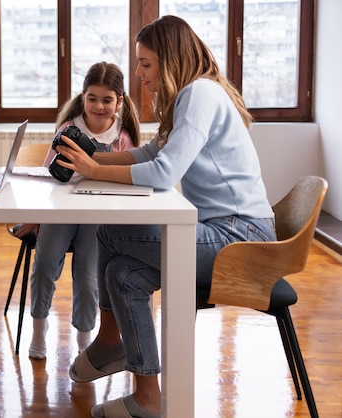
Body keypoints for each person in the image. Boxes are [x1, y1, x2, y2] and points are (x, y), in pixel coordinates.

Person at [53, 16, 276, 418]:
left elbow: (163, 174)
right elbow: (149, 154)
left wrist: (97, 170)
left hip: (241, 240)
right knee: (121, 274)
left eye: (146, 64)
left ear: (170, 60)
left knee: (110, 229)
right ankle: (148, 399)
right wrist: (91, 160)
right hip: (217, 232)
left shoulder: (200, 95)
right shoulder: (188, 98)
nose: (139, 75)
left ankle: (108, 342)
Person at [14, 62, 141, 359]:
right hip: (60, 211)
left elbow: (129, 182)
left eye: (107, 100)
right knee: (44, 263)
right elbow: (47, 177)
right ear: (83, 96)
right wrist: (36, 216)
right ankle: (39, 326)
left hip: (98, 217)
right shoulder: (69, 129)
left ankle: (85, 337)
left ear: (119, 101)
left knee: (88, 274)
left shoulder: (122, 137)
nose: (98, 106)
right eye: (92, 98)